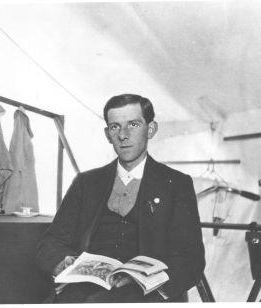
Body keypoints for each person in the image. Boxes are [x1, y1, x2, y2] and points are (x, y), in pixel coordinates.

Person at [35, 94, 205, 303]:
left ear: (150, 129)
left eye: (133, 124)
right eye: (115, 127)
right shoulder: (86, 182)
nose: (123, 135)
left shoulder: (176, 184)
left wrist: (142, 281)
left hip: (145, 296)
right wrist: (62, 262)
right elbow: (52, 242)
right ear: (107, 134)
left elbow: (191, 259)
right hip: (82, 291)